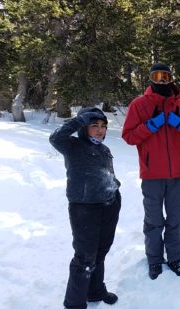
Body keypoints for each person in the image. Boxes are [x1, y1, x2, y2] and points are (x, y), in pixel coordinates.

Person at [122, 63, 180, 280]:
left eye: (165, 76)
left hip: (177, 175)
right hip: (152, 175)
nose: (162, 81)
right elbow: (128, 136)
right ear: (150, 79)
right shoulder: (139, 105)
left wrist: (179, 124)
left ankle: (175, 257)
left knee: (175, 219)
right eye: (157, 76)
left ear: (171, 79)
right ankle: (155, 260)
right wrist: (151, 125)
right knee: (154, 220)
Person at [50, 107, 121, 308]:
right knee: (85, 257)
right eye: (94, 126)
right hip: (84, 209)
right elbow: (55, 138)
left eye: (103, 126)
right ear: (84, 127)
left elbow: (107, 174)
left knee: (100, 252)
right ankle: (74, 303)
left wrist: (116, 189)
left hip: (108, 205)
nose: (100, 130)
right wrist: (78, 120)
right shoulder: (73, 145)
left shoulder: (104, 149)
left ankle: (95, 290)